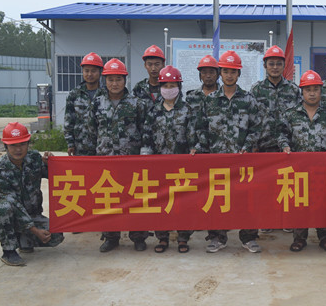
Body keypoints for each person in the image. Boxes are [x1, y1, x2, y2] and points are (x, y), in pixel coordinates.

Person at [196, 50, 264, 253]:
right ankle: (218, 237)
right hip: (217, 160)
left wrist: (247, 146)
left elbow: (257, 128)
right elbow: (201, 128)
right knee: (217, 198)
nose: (229, 75)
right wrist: (203, 149)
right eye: (225, 71)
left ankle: (248, 237)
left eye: (233, 71)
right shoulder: (210, 100)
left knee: (245, 199)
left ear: (239, 74)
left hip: (243, 160)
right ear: (220, 73)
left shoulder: (249, 100)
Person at [85, 58, 149, 252]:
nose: (114, 83)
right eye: (110, 79)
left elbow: (145, 130)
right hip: (106, 160)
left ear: (125, 80)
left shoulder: (137, 103)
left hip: (131, 160)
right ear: (105, 80)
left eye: (118, 79)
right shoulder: (97, 103)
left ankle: (138, 236)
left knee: (135, 199)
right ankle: (111, 237)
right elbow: (91, 131)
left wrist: (144, 153)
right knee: (109, 198)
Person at [278, 70, 326, 252]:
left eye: (316, 89)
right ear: (302, 92)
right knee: (300, 203)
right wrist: (285, 145)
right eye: (308, 90)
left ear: (321, 91)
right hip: (299, 168)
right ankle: (299, 237)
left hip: (324, 168)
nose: (312, 93)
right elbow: (282, 134)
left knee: (324, 203)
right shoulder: (291, 114)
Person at [0, 122, 64, 266]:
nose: (18, 149)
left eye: (22, 144)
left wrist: (51, 164)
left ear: (28, 144)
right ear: (5, 146)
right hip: (9, 216)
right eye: (13, 145)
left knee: (56, 236)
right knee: (4, 207)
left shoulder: (34, 158)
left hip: (31, 214)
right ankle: (8, 251)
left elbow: (54, 176)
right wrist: (35, 230)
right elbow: (13, 205)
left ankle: (23, 239)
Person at [141, 65, 198, 254]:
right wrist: (146, 156)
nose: (168, 89)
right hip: (159, 166)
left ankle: (183, 238)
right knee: (161, 202)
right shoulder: (153, 111)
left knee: (183, 202)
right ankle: (162, 237)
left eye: (172, 85)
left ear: (179, 87)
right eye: (165, 85)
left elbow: (194, 136)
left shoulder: (188, 110)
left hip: (182, 166)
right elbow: (146, 136)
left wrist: (194, 149)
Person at [251, 45, 301, 153]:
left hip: (288, 148)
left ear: (284, 66)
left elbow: (299, 118)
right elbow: (251, 119)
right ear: (265, 66)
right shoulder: (256, 90)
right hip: (263, 147)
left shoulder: (293, 90)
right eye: (271, 64)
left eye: (279, 64)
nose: (275, 67)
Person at [64, 52, 102, 156]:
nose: (89, 74)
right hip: (80, 147)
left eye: (93, 71)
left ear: (100, 72)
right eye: (86, 71)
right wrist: (70, 143)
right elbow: (69, 120)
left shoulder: (106, 93)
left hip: (102, 147)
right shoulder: (74, 94)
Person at [133, 44, 166, 109]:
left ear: (163, 65)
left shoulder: (168, 86)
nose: (153, 68)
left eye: (157, 64)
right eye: (150, 64)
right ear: (145, 65)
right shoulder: (139, 87)